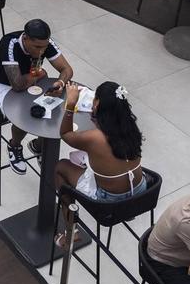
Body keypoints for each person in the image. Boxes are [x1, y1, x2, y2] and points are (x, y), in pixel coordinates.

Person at [53, 81, 145, 247]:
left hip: (110, 199)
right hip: (140, 190)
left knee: (61, 167)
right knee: (87, 160)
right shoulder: (130, 126)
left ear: (97, 104)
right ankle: (127, 212)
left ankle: (71, 231)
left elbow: (65, 134)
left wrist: (70, 105)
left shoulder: (95, 138)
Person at [0, 19, 75, 174]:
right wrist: (40, 74)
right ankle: (14, 145)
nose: (41, 52)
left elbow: (67, 69)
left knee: (52, 105)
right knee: (25, 113)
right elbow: (17, 85)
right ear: (25, 39)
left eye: (44, 47)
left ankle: (38, 146)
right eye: (37, 47)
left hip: (28, 77)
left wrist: (60, 83)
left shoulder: (44, 43)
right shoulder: (9, 44)